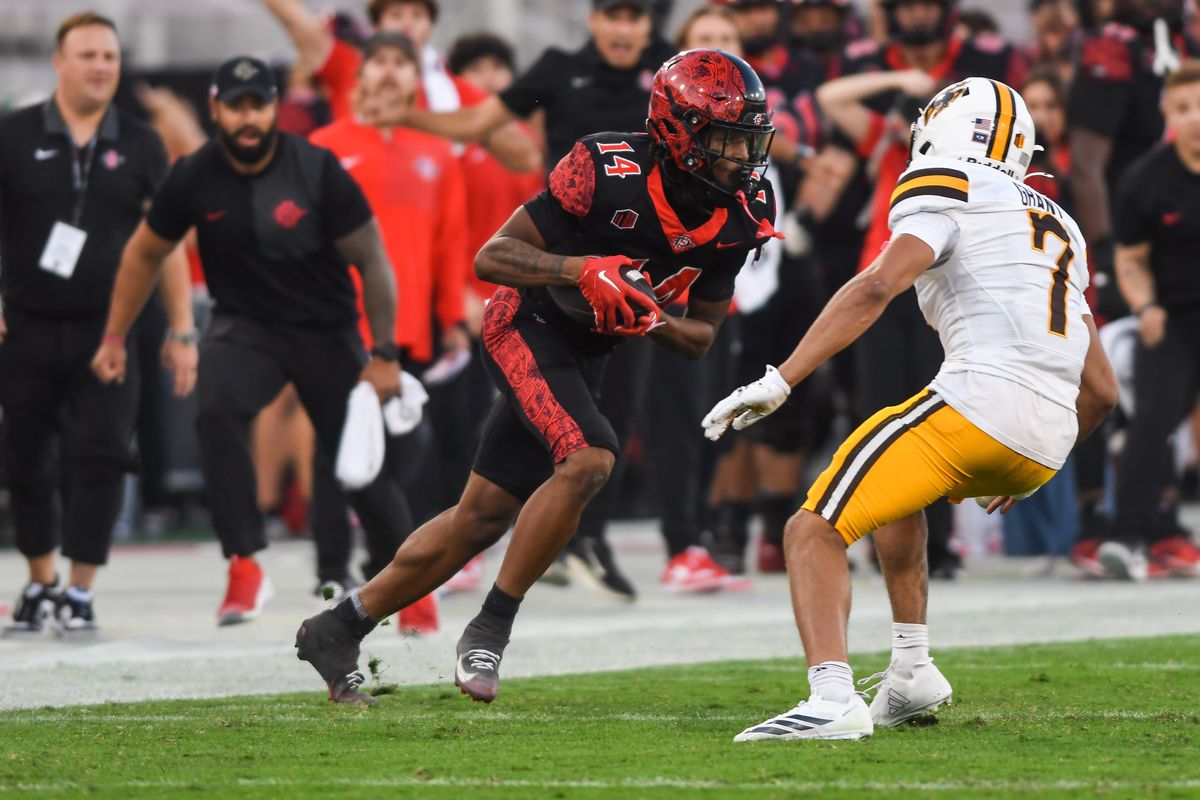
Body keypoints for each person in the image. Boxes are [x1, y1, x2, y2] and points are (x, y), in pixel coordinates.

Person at [294, 48, 779, 704]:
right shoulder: (605, 167)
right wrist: (579, 270)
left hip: (589, 349)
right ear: (676, 132)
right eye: (724, 138)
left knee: (481, 516)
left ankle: (338, 625)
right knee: (589, 460)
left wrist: (645, 314)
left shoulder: (743, 207)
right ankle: (491, 628)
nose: (739, 156)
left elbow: (700, 338)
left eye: (746, 139)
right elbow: (491, 257)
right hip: (524, 323)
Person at [704, 77, 1118, 740]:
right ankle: (912, 671)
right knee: (898, 489)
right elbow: (1101, 390)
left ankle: (832, 699)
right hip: (1043, 440)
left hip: (982, 406)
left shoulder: (944, 180)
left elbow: (876, 287)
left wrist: (781, 380)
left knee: (811, 531)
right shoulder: (1057, 220)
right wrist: (1036, 450)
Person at [92, 56, 410, 627]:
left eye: (257, 104)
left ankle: (411, 581)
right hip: (247, 326)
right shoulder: (193, 174)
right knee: (214, 408)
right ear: (215, 108)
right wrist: (116, 333)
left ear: (273, 108)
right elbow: (143, 251)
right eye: (234, 104)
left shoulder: (316, 167)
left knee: (359, 462)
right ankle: (244, 563)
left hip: (325, 327)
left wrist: (384, 354)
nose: (247, 117)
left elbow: (374, 261)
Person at [0, 12, 197, 637]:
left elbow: (166, 242)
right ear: (59, 62)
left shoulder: (140, 142)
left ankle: (80, 590)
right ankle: (39, 580)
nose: (100, 67)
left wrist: (183, 328)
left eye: (109, 56)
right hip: (25, 325)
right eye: (86, 55)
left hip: (110, 331)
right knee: (27, 459)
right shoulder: (13, 133)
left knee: (103, 456)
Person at [824, 0, 1027, 578]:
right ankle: (870, 528)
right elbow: (829, 99)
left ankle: (937, 544)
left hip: (948, 286)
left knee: (940, 410)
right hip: (886, 281)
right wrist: (900, 80)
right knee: (881, 408)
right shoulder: (892, 141)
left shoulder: (975, 163)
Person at [307, 32, 471, 629]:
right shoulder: (323, 148)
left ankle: (383, 569)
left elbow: (451, 241)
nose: (388, 74)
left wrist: (453, 313)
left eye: (401, 64)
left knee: (400, 454)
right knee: (339, 448)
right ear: (359, 75)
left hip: (408, 329)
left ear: (413, 79)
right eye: (378, 61)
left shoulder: (436, 150)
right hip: (338, 326)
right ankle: (339, 568)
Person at [1067, 0, 1196, 569]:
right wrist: (1115, 275)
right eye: (1185, 107)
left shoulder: (1179, 35)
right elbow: (1089, 166)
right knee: (1141, 406)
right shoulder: (1113, 46)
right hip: (1151, 285)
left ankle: (1165, 527)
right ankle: (1118, 528)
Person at [1102, 61, 1200, 580]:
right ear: (1168, 112)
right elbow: (1131, 260)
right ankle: (1128, 536)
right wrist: (1145, 307)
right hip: (1174, 316)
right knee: (1154, 419)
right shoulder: (1145, 180)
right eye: (1184, 108)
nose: (1196, 118)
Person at [264, 0, 540, 173]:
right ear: (376, 27)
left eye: (418, 14)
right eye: (396, 14)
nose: (407, 23)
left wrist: (471, 127)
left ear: (430, 27)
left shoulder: (454, 89)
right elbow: (291, 16)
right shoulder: (349, 68)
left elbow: (527, 157)